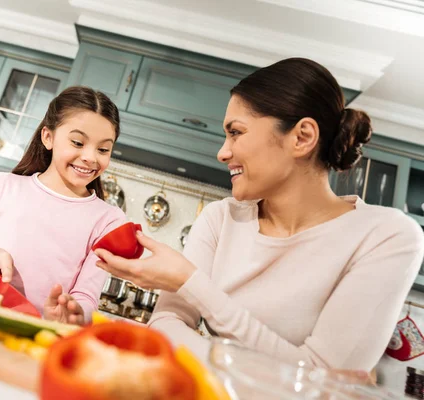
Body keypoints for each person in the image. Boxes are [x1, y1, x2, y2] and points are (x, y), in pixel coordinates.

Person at [94, 58, 424, 372]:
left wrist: (190, 284)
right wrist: (280, 365)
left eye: (235, 132)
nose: (223, 152)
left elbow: (324, 380)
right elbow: (165, 325)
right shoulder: (219, 219)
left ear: (302, 137)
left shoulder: (387, 235)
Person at [0, 86, 126, 325]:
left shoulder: (108, 220)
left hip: (35, 335)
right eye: (78, 142)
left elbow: (86, 298)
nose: (91, 157)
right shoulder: (2, 185)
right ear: (48, 137)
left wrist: (74, 312)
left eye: (103, 149)